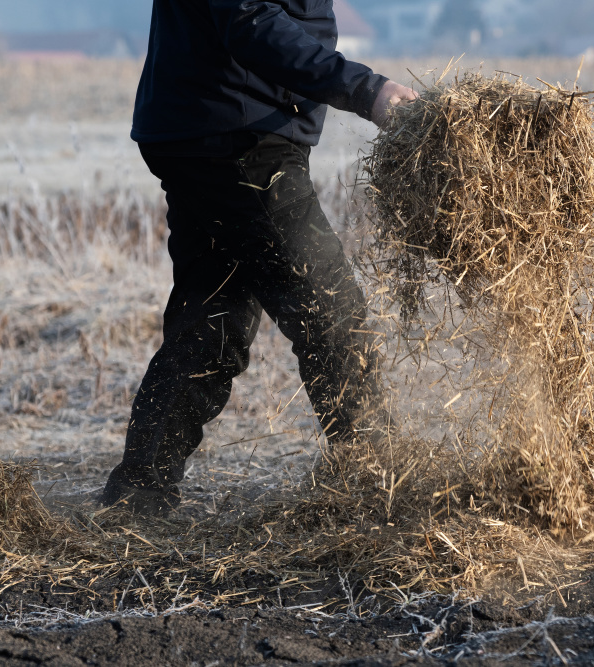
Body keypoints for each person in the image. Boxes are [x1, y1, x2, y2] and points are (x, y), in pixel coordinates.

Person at [100, 0, 418, 515]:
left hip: (206, 123)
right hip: (237, 135)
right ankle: (379, 486)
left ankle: (137, 494)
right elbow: (248, 18)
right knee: (330, 309)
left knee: (211, 324)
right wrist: (367, 89)